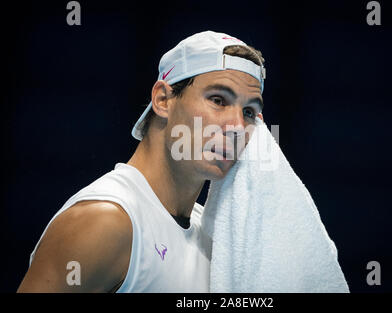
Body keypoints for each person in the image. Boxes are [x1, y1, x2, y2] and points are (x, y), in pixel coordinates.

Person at [17, 30, 266, 292]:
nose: (238, 126)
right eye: (218, 100)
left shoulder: (214, 240)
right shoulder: (105, 221)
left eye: (249, 112)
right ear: (162, 100)